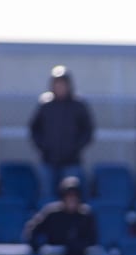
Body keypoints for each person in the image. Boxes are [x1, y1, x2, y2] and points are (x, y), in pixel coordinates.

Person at [29, 65, 94, 200]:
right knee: (47, 197)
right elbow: (34, 129)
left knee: (72, 197)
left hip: (72, 162)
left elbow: (88, 130)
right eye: (57, 84)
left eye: (63, 84)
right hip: (48, 161)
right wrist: (44, 146)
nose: (60, 87)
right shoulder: (45, 104)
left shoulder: (78, 105)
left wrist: (75, 148)